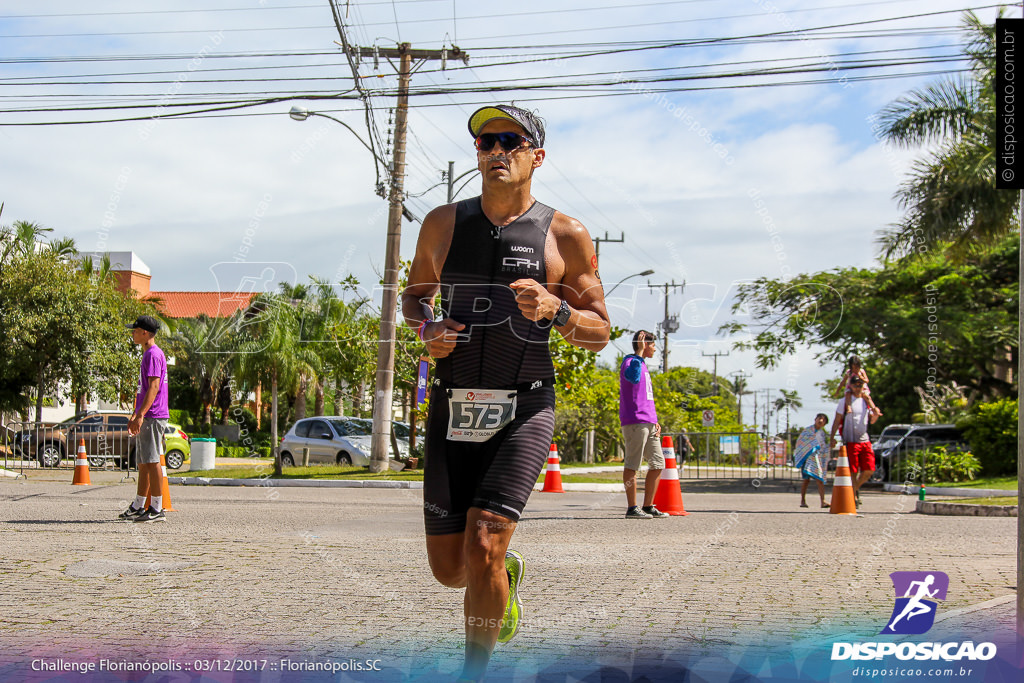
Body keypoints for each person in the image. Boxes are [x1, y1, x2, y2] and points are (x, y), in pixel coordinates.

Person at [401, 104, 610, 681]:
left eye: (510, 141)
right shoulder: (442, 224)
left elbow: (599, 330)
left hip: (525, 404)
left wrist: (558, 307)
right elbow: (414, 296)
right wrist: (427, 329)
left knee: (485, 542)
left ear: (536, 157)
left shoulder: (565, 234)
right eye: (486, 142)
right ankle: (501, 582)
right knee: (452, 569)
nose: (496, 151)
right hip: (451, 404)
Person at [118, 315, 170, 523]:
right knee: (143, 462)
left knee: (152, 460)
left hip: (153, 414)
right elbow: (144, 389)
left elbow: (155, 387)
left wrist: (141, 415)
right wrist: (135, 413)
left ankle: (157, 507)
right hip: (146, 414)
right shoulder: (148, 354)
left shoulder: (153, 355)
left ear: (145, 333)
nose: (132, 333)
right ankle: (139, 504)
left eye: (135, 330)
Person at [619, 330, 668, 519]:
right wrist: (638, 352)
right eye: (653, 345)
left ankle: (648, 506)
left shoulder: (643, 365)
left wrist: (655, 420)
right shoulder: (630, 362)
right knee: (633, 464)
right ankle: (632, 508)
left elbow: (646, 397)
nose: (655, 349)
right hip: (635, 422)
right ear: (644, 344)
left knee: (657, 463)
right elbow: (633, 378)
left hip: (649, 422)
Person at [828, 376, 878, 507]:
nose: (858, 388)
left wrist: (875, 415)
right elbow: (837, 420)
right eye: (855, 386)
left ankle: (853, 491)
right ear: (850, 386)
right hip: (850, 440)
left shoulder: (866, 401)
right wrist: (832, 437)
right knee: (853, 471)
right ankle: (853, 496)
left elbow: (872, 419)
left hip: (864, 439)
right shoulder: (844, 401)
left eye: (860, 386)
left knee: (869, 470)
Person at [795, 413, 829, 508]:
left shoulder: (822, 433)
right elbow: (802, 442)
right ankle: (803, 501)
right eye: (819, 418)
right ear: (815, 419)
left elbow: (822, 446)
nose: (821, 421)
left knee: (820, 479)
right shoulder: (808, 431)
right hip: (808, 458)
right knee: (806, 480)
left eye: (823, 420)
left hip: (817, 459)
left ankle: (823, 501)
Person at [834, 355, 881, 419]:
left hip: (861, 387)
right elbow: (843, 382)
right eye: (853, 368)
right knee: (848, 394)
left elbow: (867, 381)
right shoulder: (848, 373)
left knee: (867, 397)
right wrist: (837, 391)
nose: (855, 370)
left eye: (856, 368)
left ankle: (873, 409)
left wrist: (861, 377)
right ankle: (849, 407)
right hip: (851, 387)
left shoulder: (861, 371)